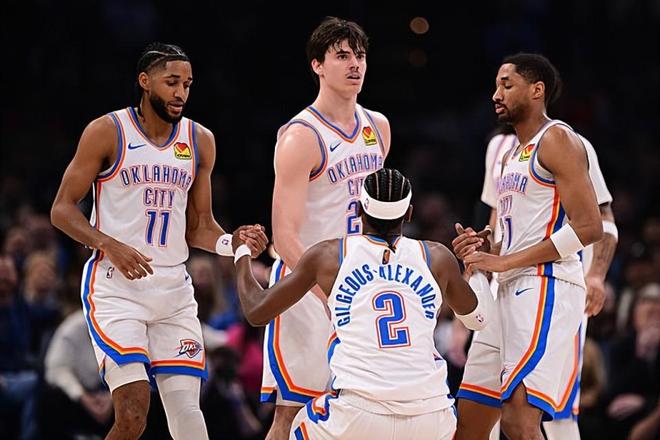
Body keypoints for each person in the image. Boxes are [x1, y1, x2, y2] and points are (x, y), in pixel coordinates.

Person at [50, 42, 267, 440]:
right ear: (145, 81)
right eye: (171, 82)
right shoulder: (107, 131)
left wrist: (233, 242)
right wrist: (108, 244)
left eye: (187, 84)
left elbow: (200, 227)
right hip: (117, 287)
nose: (181, 92)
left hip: (173, 291)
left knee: (188, 413)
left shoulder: (200, 140)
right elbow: (61, 210)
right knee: (133, 416)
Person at [234, 168, 494, 439]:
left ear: (358, 209)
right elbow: (478, 320)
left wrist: (241, 253)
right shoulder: (437, 256)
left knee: (292, 425)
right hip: (430, 415)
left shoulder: (328, 256)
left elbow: (256, 311)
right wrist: (477, 267)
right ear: (408, 213)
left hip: (358, 413)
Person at [452, 53, 604, 440]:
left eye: (507, 85)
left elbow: (590, 226)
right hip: (506, 290)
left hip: (544, 286)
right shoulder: (509, 154)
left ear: (537, 90)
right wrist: (483, 246)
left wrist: (505, 262)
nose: (496, 94)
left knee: (520, 422)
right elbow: (516, 232)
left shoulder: (557, 139)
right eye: (496, 86)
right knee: (470, 423)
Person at [263, 16, 390, 439]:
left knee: (362, 411)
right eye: (342, 56)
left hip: (362, 282)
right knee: (293, 413)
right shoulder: (301, 136)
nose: (355, 64)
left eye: (360, 56)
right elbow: (284, 235)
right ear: (317, 65)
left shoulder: (378, 127)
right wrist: (330, 292)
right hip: (308, 287)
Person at [470, 122, 618, 439]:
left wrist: (596, 274)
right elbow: (498, 220)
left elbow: (601, 220)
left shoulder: (566, 142)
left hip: (553, 283)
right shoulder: (498, 149)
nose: (497, 98)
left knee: (552, 412)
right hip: (504, 283)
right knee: (485, 408)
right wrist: (483, 256)